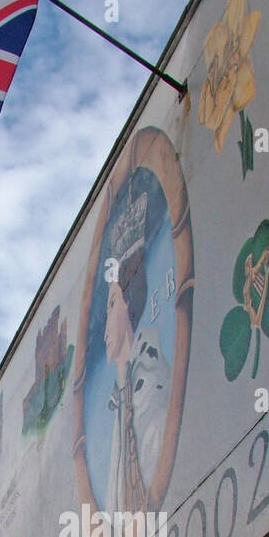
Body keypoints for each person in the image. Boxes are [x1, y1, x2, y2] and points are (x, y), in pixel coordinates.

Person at [104, 191, 170, 520]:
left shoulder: (151, 382)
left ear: (128, 303)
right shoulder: (120, 400)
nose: (105, 323)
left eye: (112, 303)